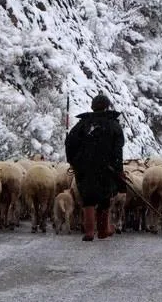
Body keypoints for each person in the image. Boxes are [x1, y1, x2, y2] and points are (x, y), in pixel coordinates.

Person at [65, 93, 126, 241]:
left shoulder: (82, 124)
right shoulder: (113, 125)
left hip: (85, 169)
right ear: (107, 107)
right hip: (107, 168)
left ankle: (89, 232)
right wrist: (118, 169)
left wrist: (74, 162)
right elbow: (118, 149)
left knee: (88, 199)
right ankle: (103, 230)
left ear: (92, 107)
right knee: (105, 199)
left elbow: (69, 143)